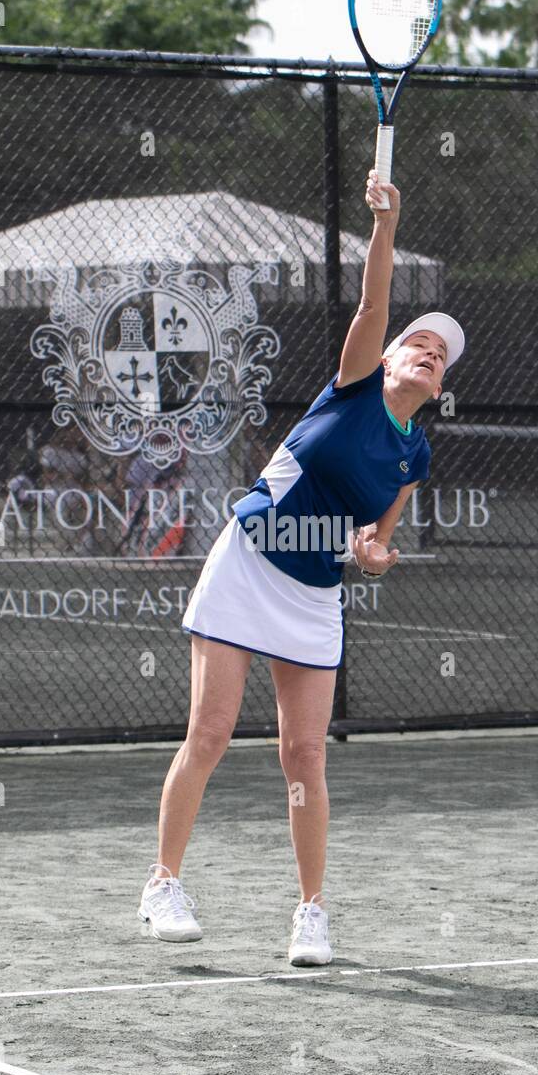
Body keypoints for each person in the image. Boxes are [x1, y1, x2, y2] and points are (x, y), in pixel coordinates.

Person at [137, 169, 466, 966]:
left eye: (440, 357)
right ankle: (162, 885)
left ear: (440, 385)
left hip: (315, 591)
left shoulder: (413, 454)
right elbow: (373, 305)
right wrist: (385, 224)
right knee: (211, 731)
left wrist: (374, 556)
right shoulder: (353, 388)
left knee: (305, 756)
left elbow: (374, 546)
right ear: (385, 361)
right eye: (416, 345)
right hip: (248, 564)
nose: (427, 354)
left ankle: (311, 913)